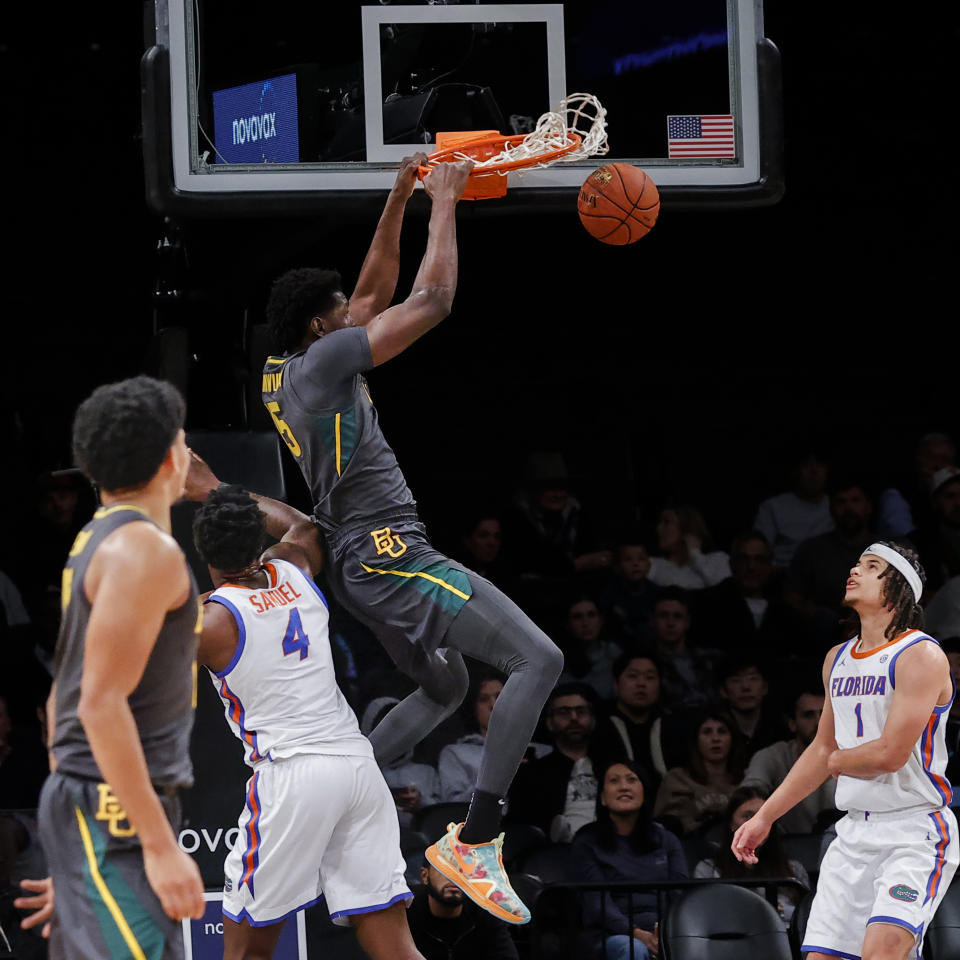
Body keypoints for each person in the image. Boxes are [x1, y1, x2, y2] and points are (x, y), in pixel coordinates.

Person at [259, 155, 563, 923]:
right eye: (341, 313)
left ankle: (345, 783)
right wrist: (446, 205)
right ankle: (478, 839)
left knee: (448, 686)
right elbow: (430, 297)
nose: (358, 311)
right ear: (320, 327)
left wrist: (397, 197)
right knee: (537, 657)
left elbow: (369, 291)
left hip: (357, 566)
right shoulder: (328, 362)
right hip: (390, 554)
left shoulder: (285, 369)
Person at [192, 483, 423, 960]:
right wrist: (211, 487)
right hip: (358, 768)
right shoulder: (294, 569)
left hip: (294, 774)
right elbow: (302, 524)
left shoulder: (211, 623)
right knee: (396, 948)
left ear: (204, 553)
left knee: (245, 951)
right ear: (258, 542)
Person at [36, 376, 206, 959]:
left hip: (96, 812)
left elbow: (63, 696)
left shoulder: (96, 538)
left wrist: (72, 844)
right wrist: (158, 846)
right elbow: (97, 704)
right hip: (115, 816)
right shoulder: (145, 551)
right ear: (169, 459)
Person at [732, 540, 959, 960]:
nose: (854, 571)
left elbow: (889, 754)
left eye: (871, 566)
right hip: (853, 832)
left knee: (882, 953)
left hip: (913, 830)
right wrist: (765, 818)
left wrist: (838, 760)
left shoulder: (920, 654)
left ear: (898, 587)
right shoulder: (836, 658)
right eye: (856, 563)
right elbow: (820, 749)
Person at [571, 759, 687, 960]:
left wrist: (664, 933)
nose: (624, 786)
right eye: (614, 781)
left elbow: (680, 895)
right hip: (610, 934)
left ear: (644, 792)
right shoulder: (587, 841)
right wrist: (635, 933)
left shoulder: (666, 839)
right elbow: (598, 905)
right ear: (603, 798)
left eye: (632, 780)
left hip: (664, 931)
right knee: (634, 949)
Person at [693, 786, 809, 923]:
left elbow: (808, 915)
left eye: (763, 816)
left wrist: (780, 911)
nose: (755, 824)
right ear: (731, 824)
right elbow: (702, 916)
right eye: (747, 816)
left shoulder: (793, 869)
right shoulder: (708, 869)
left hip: (785, 938)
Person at [507, 683, 601, 842]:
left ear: (593, 720)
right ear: (549, 722)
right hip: (554, 854)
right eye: (564, 712)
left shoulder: (611, 767)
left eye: (581, 711)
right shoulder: (531, 774)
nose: (574, 718)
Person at [741, 682, 836, 834]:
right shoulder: (772, 756)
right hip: (787, 846)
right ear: (792, 724)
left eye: (824, 714)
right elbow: (747, 796)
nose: (819, 722)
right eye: (808, 715)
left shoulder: (852, 754)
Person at [592, 651, 684, 790]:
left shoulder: (673, 727)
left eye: (650, 677)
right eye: (633, 676)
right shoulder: (599, 727)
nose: (641, 683)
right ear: (616, 684)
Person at [654, 707, 745, 835]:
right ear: (696, 739)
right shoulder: (677, 779)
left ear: (732, 739)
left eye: (722, 731)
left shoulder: (746, 780)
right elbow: (667, 830)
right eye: (707, 732)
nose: (715, 738)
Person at [407, 860, 519, 960]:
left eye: (462, 870)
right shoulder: (406, 911)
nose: (454, 877)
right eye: (445, 868)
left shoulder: (485, 911)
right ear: (425, 876)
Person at [360, 697, 441, 827]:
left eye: (401, 726)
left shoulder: (427, 773)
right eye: (385, 727)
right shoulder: (359, 772)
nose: (393, 734)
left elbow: (443, 814)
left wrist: (420, 802)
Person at [753, 451, 834, 569]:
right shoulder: (773, 507)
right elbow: (758, 552)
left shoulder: (839, 505)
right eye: (806, 465)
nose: (814, 471)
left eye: (820, 465)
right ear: (795, 471)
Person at [648, 588, 715, 712]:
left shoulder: (712, 660)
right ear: (652, 620)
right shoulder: (644, 664)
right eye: (664, 616)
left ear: (687, 622)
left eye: (677, 616)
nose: (670, 623)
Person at [716, 654, 788, 761]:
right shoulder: (715, 731)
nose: (746, 687)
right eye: (736, 680)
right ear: (723, 690)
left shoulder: (781, 728)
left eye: (753, 678)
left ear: (765, 687)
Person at [646, 505, 730, 591]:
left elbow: (724, 589)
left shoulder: (718, 559)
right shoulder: (653, 564)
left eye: (667, 522)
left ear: (686, 527)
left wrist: (695, 554)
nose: (658, 528)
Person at [557, 595, 624, 700]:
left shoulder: (615, 655)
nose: (585, 623)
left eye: (591, 615)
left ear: (601, 620)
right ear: (568, 624)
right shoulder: (558, 659)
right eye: (577, 616)